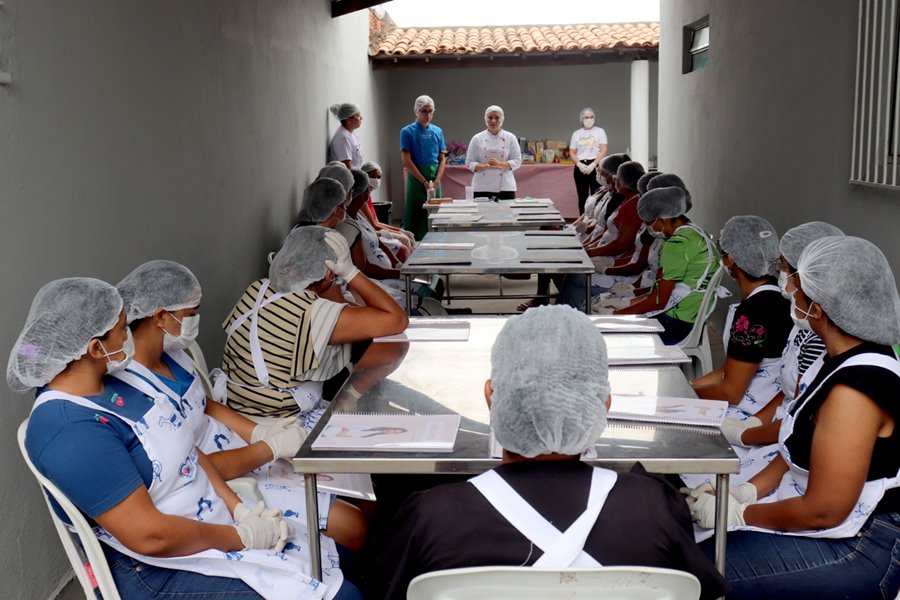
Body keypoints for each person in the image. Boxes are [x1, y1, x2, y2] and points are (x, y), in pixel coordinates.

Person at [9, 278, 360, 599]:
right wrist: (243, 536)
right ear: (96, 349)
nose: (128, 335)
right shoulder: (69, 430)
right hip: (154, 568)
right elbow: (149, 535)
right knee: (339, 594)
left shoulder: (116, 387)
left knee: (341, 561)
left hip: (208, 522)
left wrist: (236, 507)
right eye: (120, 330)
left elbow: (187, 452)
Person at [367, 305, 728, 600]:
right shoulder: (653, 506)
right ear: (602, 405)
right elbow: (701, 589)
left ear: (492, 396)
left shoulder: (432, 515)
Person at [688, 236, 900, 600]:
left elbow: (824, 512)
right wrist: (745, 490)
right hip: (826, 518)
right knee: (683, 538)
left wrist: (740, 513)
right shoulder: (831, 359)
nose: (787, 290)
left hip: (861, 545)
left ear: (818, 309)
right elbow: (796, 451)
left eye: (796, 285)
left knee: (693, 576)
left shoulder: (854, 391)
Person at [116, 259, 368, 553]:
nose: (196, 319)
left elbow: (205, 405)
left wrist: (259, 432)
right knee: (352, 525)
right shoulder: (136, 389)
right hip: (219, 478)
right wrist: (268, 449)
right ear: (160, 317)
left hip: (240, 452)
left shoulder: (172, 354)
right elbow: (189, 464)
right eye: (190, 314)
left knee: (358, 487)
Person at [216, 226, 408, 420]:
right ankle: (349, 396)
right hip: (277, 413)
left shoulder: (258, 288)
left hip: (237, 400)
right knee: (394, 346)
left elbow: (352, 313)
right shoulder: (314, 312)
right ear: (330, 274)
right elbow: (397, 320)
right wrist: (350, 272)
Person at [721, 221, 843, 451]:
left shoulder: (823, 342)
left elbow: (799, 421)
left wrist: (745, 434)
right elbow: (792, 396)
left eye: (786, 270)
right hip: (776, 424)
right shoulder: (802, 325)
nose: (783, 282)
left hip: (788, 441)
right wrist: (753, 423)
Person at [691, 215, 793, 416]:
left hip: (754, 410)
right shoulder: (776, 293)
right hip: (766, 399)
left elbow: (731, 392)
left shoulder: (754, 311)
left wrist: (684, 395)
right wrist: (690, 385)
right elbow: (730, 367)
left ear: (730, 259)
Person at [599, 187, 720, 345]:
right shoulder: (696, 233)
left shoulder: (675, 245)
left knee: (603, 335)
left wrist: (614, 314)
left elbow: (658, 301)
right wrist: (624, 303)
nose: (649, 228)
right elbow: (659, 293)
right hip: (690, 317)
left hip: (673, 325)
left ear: (663, 219)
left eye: (649, 223)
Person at [400, 94, 446, 240]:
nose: (428, 115)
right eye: (424, 111)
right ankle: (414, 246)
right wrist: (424, 182)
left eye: (430, 111)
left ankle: (437, 245)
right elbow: (406, 161)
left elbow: (442, 158)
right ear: (416, 111)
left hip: (435, 176)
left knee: (436, 213)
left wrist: (437, 180)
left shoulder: (437, 131)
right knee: (416, 212)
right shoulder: (407, 132)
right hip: (416, 176)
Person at [465, 105, 521, 200]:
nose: (493, 121)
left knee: (506, 214)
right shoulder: (477, 138)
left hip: (505, 187)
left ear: (502, 119)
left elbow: (517, 161)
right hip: (481, 187)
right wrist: (483, 166)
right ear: (485, 119)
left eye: (497, 118)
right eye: (490, 117)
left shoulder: (510, 138)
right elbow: (469, 162)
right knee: (482, 214)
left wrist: (500, 164)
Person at [569, 107, 609, 214]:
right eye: (586, 117)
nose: (589, 119)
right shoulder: (576, 134)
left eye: (591, 117)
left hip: (596, 165)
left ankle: (596, 221)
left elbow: (604, 149)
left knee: (597, 195)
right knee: (582, 196)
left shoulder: (600, 131)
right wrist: (579, 164)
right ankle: (583, 220)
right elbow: (572, 152)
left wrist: (594, 164)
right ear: (581, 119)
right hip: (580, 166)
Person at [328, 103, 363, 169]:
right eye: (358, 115)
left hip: (356, 175)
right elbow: (348, 169)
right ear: (348, 119)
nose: (361, 118)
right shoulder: (343, 138)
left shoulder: (353, 135)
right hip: (345, 178)